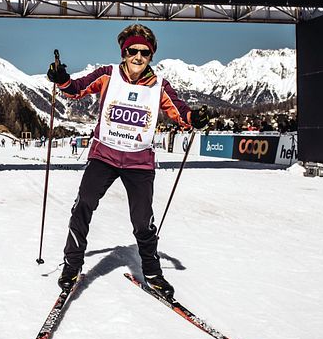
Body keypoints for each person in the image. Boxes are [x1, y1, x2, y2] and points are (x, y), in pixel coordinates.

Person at [46, 23, 210, 299]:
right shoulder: (107, 75)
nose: (138, 57)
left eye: (144, 53)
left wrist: (194, 118)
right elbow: (76, 89)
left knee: (143, 222)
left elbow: (180, 113)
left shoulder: (159, 85)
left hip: (139, 163)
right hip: (104, 155)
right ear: (124, 52)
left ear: (150, 57)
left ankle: (153, 274)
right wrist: (61, 78)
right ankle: (72, 266)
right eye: (132, 51)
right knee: (83, 206)